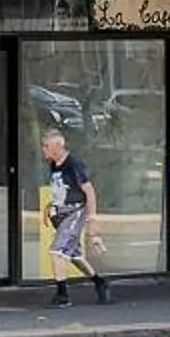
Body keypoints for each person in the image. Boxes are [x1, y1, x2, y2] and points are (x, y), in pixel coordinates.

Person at [41, 127, 109, 307]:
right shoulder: (54, 165)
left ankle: (62, 295)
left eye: (46, 146)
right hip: (61, 213)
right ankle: (99, 282)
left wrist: (92, 218)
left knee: (57, 251)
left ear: (58, 146)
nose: (44, 149)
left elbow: (89, 191)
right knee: (74, 255)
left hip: (75, 212)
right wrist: (52, 204)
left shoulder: (73, 164)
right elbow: (62, 189)